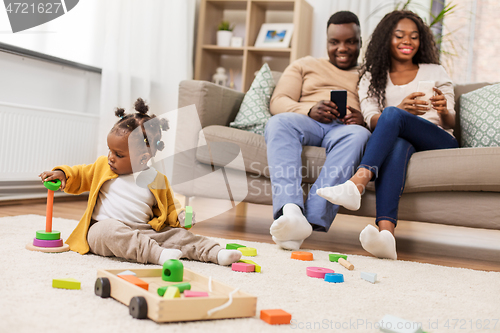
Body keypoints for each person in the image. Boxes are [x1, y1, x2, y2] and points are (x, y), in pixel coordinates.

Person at [317, 10, 458, 260]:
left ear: (420, 41)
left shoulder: (434, 70)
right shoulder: (371, 77)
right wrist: (401, 111)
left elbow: (451, 121)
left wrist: (443, 109)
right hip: (403, 141)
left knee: (392, 114)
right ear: (386, 39)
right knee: (397, 140)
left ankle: (357, 183)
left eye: (414, 37)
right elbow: (371, 119)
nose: (407, 41)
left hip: (438, 140)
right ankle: (386, 236)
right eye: (400, 35)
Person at [39, 98, 242, 266]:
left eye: (118, 154)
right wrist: (63, 174)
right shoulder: (102, 166)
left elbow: (170, 207)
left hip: (144, 230)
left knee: (178, 236)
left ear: (144, 158)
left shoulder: (157, 179)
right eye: (110, 150)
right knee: (104, 232)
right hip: (105, 228)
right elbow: (80, 174)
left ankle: (215, 253)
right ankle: (157, 255)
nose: (110, 157)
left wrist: (180, 216)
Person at [264, 11, 371, 251]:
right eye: (335, 42)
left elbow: (379, 111)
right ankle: (290, 211)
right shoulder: (304, 64)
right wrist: (309, 109)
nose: (342, 48)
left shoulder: (369, 74)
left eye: (350, 41)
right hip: (307, 122)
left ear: (360, 42)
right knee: (278, 123)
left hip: (345, 129)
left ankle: (309, 220)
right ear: (327, 42)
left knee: (361, 135)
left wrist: (363, 119)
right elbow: (278, 101)